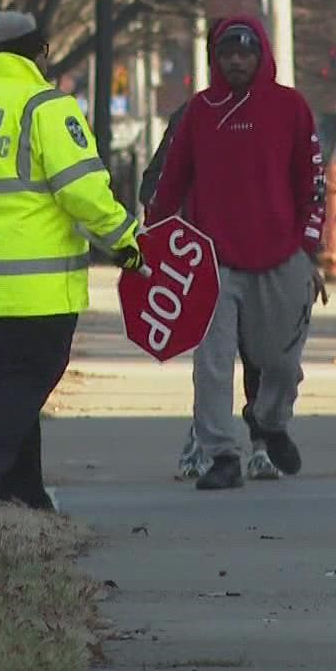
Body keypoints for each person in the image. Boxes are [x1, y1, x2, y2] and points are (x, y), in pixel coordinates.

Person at [0, 11, 143, 510]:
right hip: (34, 286)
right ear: (36, 52)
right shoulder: (47, 108)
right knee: (27, 381)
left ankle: (25, 495)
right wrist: (126, 239)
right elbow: (83, 192)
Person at [145, 16, 328, 491]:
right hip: (213, 260)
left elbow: (312, 184)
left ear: (262, 55)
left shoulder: (291, 108)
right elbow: (171, 181)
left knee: (281, 362)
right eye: (228, 53)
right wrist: (156, 241)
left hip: (283, 253)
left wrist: (309, 250)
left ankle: (267, 420)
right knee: (214, 363)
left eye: (246, 53)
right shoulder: (200, 112)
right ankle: (220, 454)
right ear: (216, 58)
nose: (237, 61)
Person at [141, 99, 272, 481]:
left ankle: (263, 445)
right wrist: (175, 233)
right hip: (208, 257)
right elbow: (155, 183)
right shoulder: (192, 115)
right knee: (213, 358)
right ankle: (206, 440)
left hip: (264, 254)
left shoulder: (277, 113)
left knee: (261, 355)